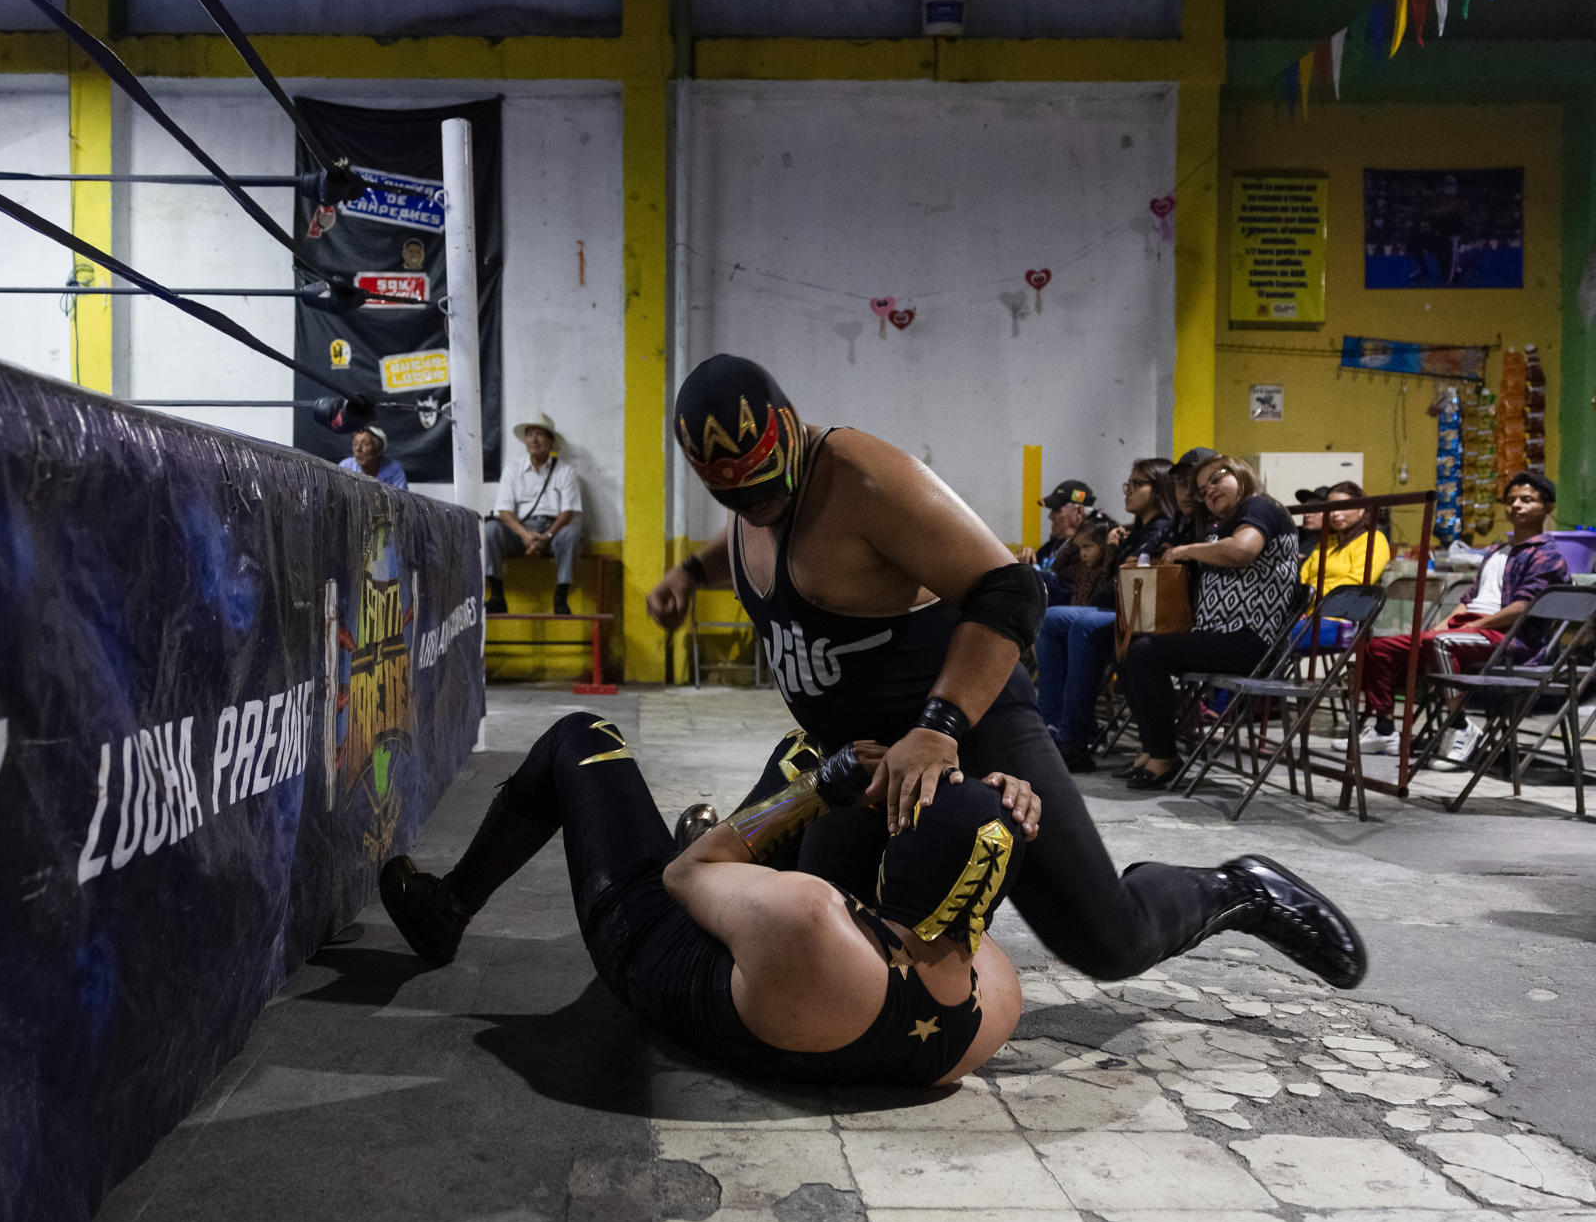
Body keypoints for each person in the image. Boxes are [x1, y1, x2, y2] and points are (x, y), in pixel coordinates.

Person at [645, 355, 1365, 991]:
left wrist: (939, 726)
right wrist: (689, 572)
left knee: (1108, 942)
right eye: (746, 500)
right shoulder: (751, 507)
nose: (763, 507)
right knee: (792, 926)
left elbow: (1013, 589)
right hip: (861, 762)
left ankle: (1241, 887)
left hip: (968, 726)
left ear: (792, 435)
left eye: (772, 491)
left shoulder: (859, 475)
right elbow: (746, 528)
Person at [379, 712, 1037, 1086]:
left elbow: (685, 878)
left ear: (897, 849)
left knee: (582, 737)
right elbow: (968, 870)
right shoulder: (999, 999)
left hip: (654, 941)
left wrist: (819, 790)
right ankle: (722, 846)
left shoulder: (810, 915)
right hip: (792, 979)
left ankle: (448, 909)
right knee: (803, 747)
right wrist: (997, 813)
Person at [1341, 472, 1568, 762]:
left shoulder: (1545, 556)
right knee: (1378, 649)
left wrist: (1475, 625)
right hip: (1468, 631)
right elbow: (1469, 600)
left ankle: (1461, 725)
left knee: (1442, 644)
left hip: (1512, 638)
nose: (1516, 506)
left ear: (1547, 507)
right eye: (1511, 500)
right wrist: (1438, 627)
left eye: (1527, 500)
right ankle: (1385, 730)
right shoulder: (1496, 551)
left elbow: (1525, 607)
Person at [1119, 453, 1300, 791]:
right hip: (1219, 635)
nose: (1209, 491)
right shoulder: (1226, 523)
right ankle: (1151, 747)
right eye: (1203, 489)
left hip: (1250, 640)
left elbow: (1241, 551)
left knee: (1143, 652)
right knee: (1131, 646)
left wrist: (1189, 550)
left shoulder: (1259, 507)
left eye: (1216, 479)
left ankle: (1163, 755)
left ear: (1240, 474)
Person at [1036, 457, 1180, 772]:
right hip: (1120, 608)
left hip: (1146, 616)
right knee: (1051, 619)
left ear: (1159, 489)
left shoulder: (1165, 528)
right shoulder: (1135, 530)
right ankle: (1050, 727)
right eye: (1127, 484)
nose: (1127, 491)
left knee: (1084, 625)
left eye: (1136, 484)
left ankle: (1075, 739)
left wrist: (1119, 546)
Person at [484, 412, 583, 615]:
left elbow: (567, 513)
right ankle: (496, 596)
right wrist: (526, 535)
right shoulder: (513, 470)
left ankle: (561, 597)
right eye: (530, 435)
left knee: (572, 534)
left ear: (551, 441)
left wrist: (546, 537)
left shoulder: (566, 471)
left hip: (553, 531)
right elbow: (504, 511)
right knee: (490, 529)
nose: (533, 440)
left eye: (540, 434)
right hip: (520, 532)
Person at [1292, 481, 1390, 650]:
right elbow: (1303, 577)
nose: (1336, 514)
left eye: (1344, 507)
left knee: (1274, 637)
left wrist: (1309, 597)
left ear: (1361, 509)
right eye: (1331, 508)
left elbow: (1356, 584)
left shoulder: (1373, 539)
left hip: (1344, 620)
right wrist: (1299, 604)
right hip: (1308, 616)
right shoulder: (1326, 542)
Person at [1019, 479, 1094, 606]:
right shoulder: (1052, 546)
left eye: (1056, 510)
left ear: (1078, 512)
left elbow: (1065, 593)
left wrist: (1027, 574)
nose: (1050, 516)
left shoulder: (1085, 550)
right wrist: (1024, 560)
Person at [337, 425, 408, 489]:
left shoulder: (394, 469)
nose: (358, 449)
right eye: (355, 444)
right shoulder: (346, 467)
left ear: (378, 450)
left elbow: (401, 500)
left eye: (365, 444)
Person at [1295, 486, 1329, 562]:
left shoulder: (1337, 540)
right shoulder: (1294, 533)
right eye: (1306, 508)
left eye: (1316, 509)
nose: (1307, 514)